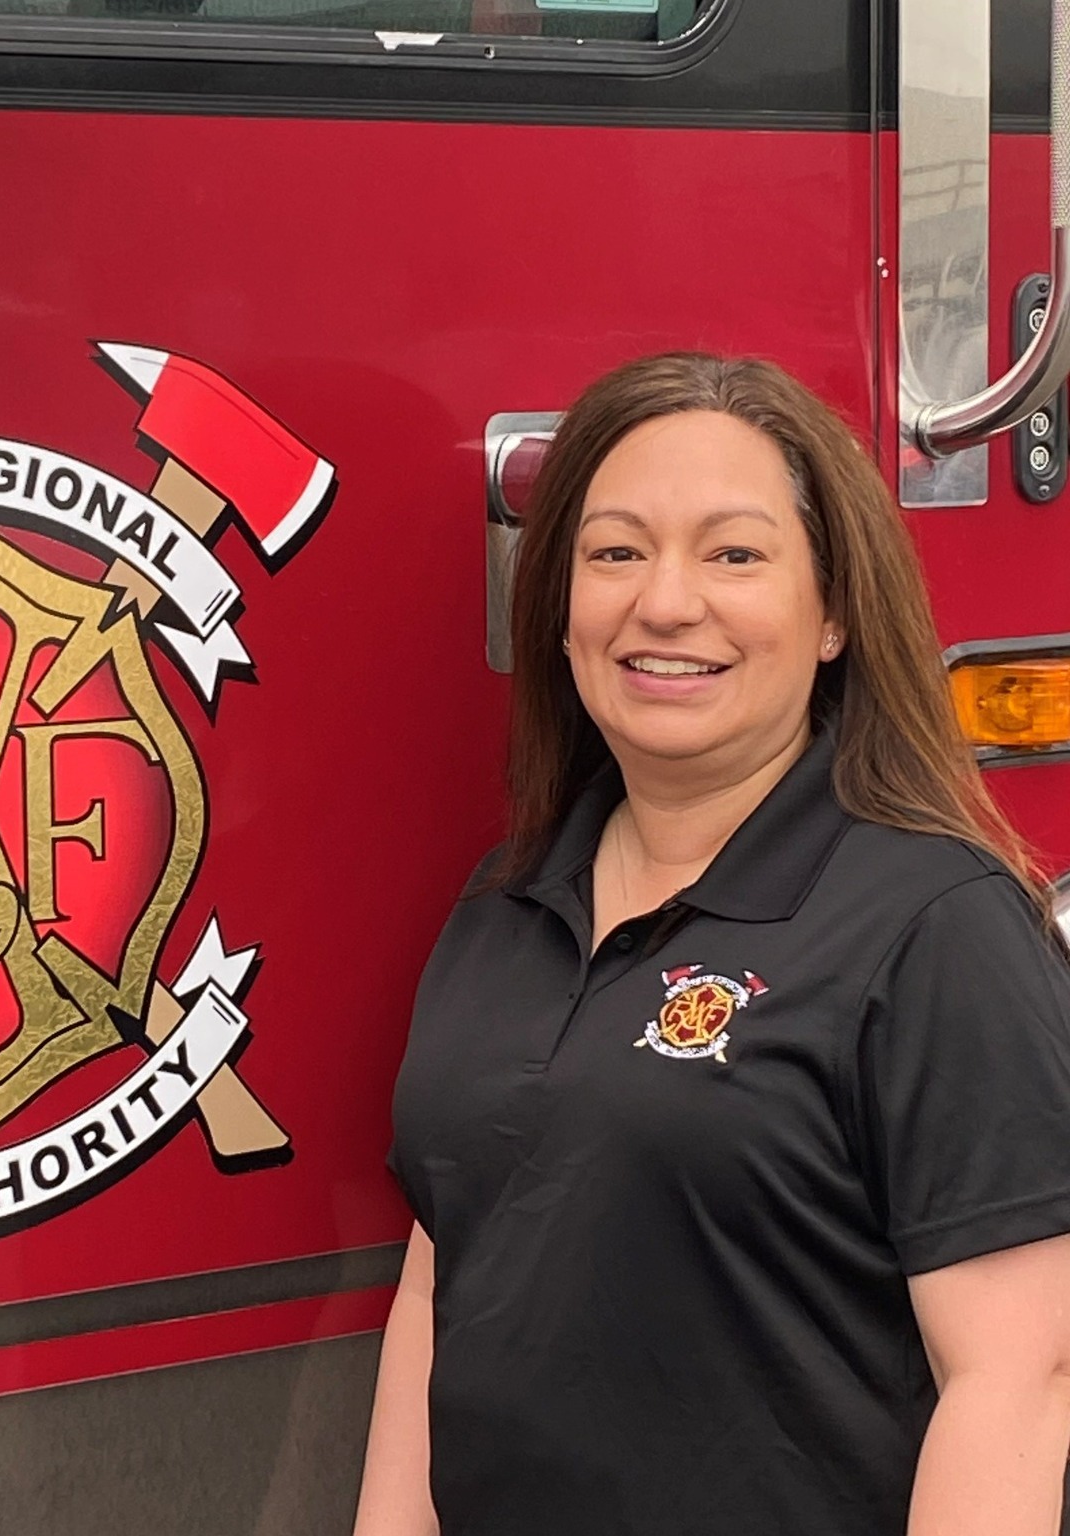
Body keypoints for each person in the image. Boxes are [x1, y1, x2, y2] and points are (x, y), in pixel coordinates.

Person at [354, 353, 1070, 1536]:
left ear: (834, 612)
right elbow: (444, 1279)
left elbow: (1021, 1381)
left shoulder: (932, 924)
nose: (666, 604)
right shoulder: (507, 903)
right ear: (563, 607)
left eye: (734, 553)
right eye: (615, 553)